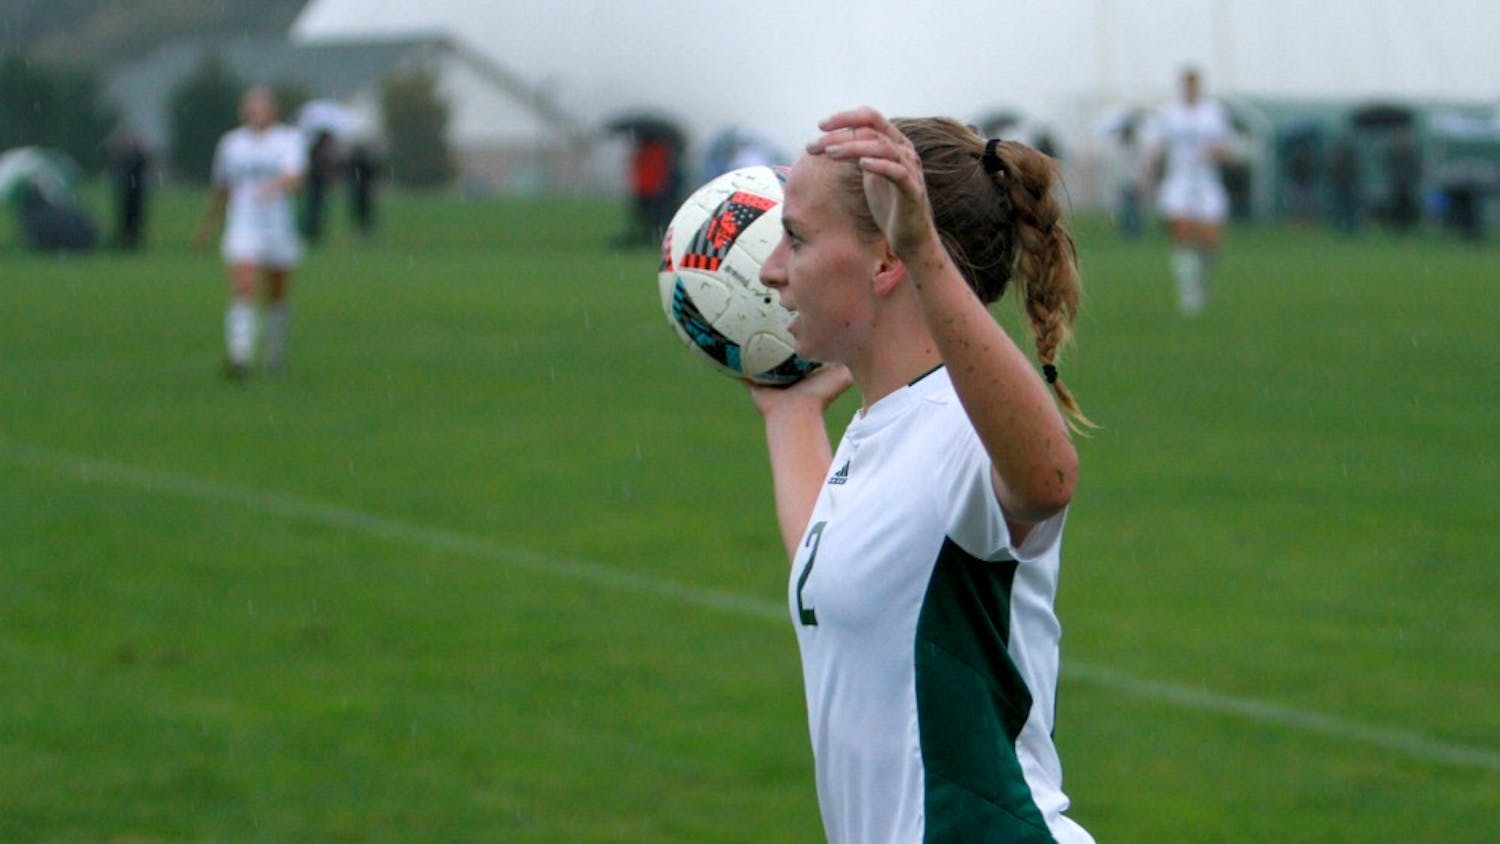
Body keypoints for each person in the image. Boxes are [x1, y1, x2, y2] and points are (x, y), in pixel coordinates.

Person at [748, 106, 1093, 844]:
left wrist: (923, 247)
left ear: (885, 262)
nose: (772, 267)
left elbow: (1049, 478)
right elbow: (843, 572)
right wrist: (792, 420)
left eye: (798, 238)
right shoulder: (883, 424)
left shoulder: (958, 426)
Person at [194, 87, 307, 380]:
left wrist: (275, 185)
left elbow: (295, 177)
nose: (255, 111)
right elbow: (222, 188)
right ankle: (240, 354)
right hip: (242, 224)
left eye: (261, 106)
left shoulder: (288, 139)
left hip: (277, 224)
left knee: (277, 292)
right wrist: (208, 226)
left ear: (273, 109)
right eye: (251, 106)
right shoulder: (231, 144)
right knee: (243, 286)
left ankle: (275, 353)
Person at [1150, 67, 1232, 316]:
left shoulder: (1214, 113)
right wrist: (1151, 177)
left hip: (1207, 182)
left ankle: (1202, 283)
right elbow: (1158, 148)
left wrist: (1216, 153)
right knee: (1182, 233)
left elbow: (1225, 148)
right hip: (1180, 180)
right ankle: (1189, 292)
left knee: (1210, 239)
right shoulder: (1169, 114)